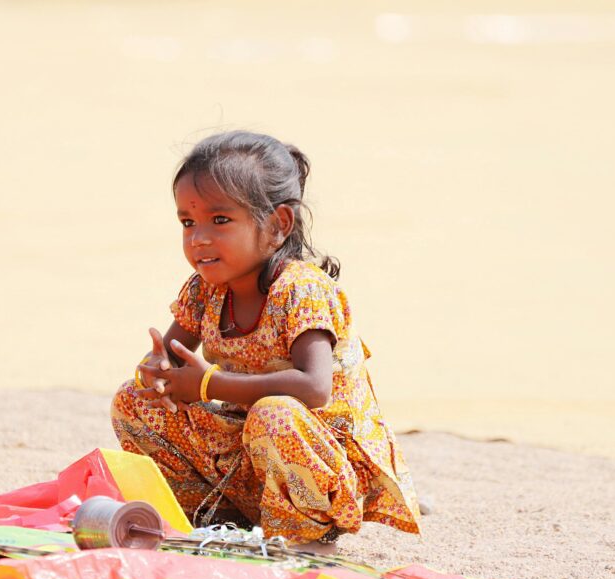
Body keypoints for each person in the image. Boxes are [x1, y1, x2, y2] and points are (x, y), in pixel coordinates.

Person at [111, 130, 420, 547]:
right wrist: (158, 375)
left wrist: (208, 384)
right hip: (250, 456)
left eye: (220, 220)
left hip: (318, 459)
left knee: (273, 414)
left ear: (277, 225)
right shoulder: (205, 288)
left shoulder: (300, 289)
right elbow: (172, 364)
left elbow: (314, 387)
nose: (198, 238)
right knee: (131, 400)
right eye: (188, 222)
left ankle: (308, 529)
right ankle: (219, 517)